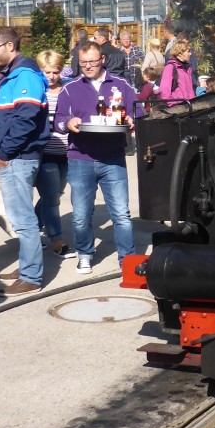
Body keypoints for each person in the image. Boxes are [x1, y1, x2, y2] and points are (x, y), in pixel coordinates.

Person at [53, 41, 141, 275]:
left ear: (102, 60)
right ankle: (84, 253)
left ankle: (128, 259)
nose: (88, 66)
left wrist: (132, 121)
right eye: (84, 63)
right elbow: (58, 120)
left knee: (121, 214)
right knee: (81, 215)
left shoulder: (121, 85)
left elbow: (138, 111)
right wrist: (68, 122)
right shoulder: (70, 88)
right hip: (80, 157)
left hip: (113, 158)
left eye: (93, 61)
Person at [0, 27, 50, 297]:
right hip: (14, 157)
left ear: (10, 46)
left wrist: (5, 153)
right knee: (20, 217)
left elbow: (26, 119)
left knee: (23, 220)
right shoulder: (12, 75)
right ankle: (26, 267)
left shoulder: (25, 75)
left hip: (18, 158)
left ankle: (31, 277)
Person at [35, 51, 70, 258]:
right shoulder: (38, 91)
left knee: (55, 195)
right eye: (47, 72)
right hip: (46, 152)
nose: (51, 76)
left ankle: (31, 227)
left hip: (66, 152)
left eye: (55, 72)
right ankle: (56, 238)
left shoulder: (67, 89)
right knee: (51, 199)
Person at [158, 38, 197, 105]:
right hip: (178, 108)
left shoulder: (187, 68)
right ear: (180, 53)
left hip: (189, 106)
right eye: (188, 51)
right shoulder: (170, 68)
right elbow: (164, 90)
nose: (190, 54)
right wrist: (174, 104)